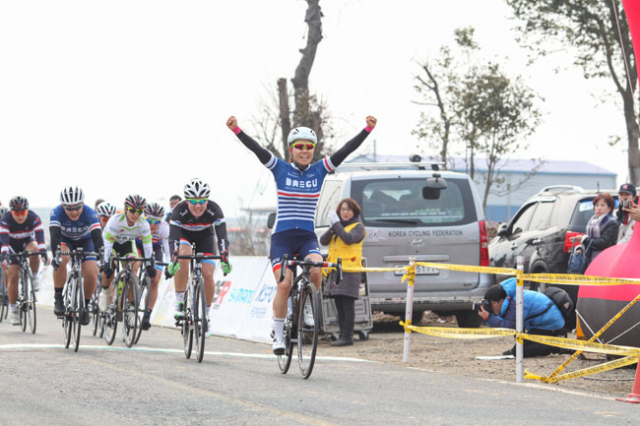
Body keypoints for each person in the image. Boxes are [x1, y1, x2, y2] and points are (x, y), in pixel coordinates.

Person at [226, 114, 377, 354]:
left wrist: (367, 130)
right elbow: (257, 150)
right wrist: (237, 130)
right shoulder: (280, 168)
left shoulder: (320, 170)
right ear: (291, 150)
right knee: (284, 284)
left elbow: (346, 150)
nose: (304, 151)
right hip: (282, 238)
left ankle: (307, 305)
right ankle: (278, 334)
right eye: (299, 146)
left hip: (307, 237)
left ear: (313, 150)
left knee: (316, 269)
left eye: (309, 147)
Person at [165, 178, 231, 335]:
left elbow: (222, 236)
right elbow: (173, 238)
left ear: (207, 200)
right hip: (184, 236)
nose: (198, 206)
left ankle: (206, 315)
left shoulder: (215, 210)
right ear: (187, 201)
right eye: (193, 201)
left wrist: (224, 255)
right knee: (183, 254)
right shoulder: (178, 211)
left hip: (206, 237)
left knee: (207, 274)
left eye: (202, 201)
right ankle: (180, 301)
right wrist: (174, 258)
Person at [50, 186, 104, 324]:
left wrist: (101, 257)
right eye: (69, 208)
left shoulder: (90, 213)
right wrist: (55, 255)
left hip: (86, 241)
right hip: (65, 240)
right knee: (62, 258)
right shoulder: (56, 212)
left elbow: (97, 237)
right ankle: (58, 298)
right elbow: (55, 236)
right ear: (63, 206)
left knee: (91, 272)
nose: (73, 212)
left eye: (77, 207)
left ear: (83, 204)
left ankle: (85, 306)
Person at [478, 278, 566, 357]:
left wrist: (489, 317)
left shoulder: (516, 302)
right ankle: (523, 348)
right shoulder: (512, 298)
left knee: (519, 351)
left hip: (550, 326)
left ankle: (556, 346)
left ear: (501, 301)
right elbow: (514, 326)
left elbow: (510, 327)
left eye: (492, 303)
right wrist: (489, 316)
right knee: (518, 350)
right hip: (541, 324)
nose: (490, 307)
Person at [320, 198, 366, 347]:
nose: (345, 212)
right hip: (336, 270)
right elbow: (323, 240)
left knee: (347, 304)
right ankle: (342, 334)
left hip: (350, 270)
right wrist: (333, 227)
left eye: (348, 210)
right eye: (342, 209)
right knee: (339, 304)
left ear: (354, 212)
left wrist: (337, 225)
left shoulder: (358, 227)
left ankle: (347, 336)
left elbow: (348, 239)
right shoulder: (338, 226)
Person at [98, 195, 156, 312]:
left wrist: (149, 264)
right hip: (112, 244)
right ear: (125, 209)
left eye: (139, 211)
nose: (136, 214)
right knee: (111, 266)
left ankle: (130, 303)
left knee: (134, 268)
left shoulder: (143, 224)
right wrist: (107, 261)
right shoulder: (115, 221)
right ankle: (105, 292)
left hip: (127, 245)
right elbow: (108, 244)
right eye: (132, 210)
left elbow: (147, 245)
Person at [0, 196, 47, 325]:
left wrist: (43, 251)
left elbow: (40, 237)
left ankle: (34, 277)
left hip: (27, 243)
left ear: (27, 210)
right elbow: (4, 242)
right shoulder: (6, 220)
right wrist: (4, 255)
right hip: (12, 246)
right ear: (11, 211)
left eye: (23, 212)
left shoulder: (33, 217)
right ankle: (13, 310)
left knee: (35, 249)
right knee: (13, 275)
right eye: (17, 213)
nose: (20, 216)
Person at [136, 202, 170, 330]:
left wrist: (169, 265)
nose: (152, 224)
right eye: (149, 220)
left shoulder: (164, 228)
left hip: (155, 249)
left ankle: (147, 315)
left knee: (155, 280)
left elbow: (167, 250)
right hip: (138, 247)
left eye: (156, 222)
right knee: (135, 264)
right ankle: (131, 287)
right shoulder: (138, 224)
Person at [574, 192, 619, 268]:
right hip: (589, 260)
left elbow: (603, 243)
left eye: (602, 205)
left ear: (609, 208)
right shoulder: (591, 221)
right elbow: (588, 240)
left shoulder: (612, 223)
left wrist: (584, 239)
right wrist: (581, 248)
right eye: (597, 205)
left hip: (605, 260)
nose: (599, 208)